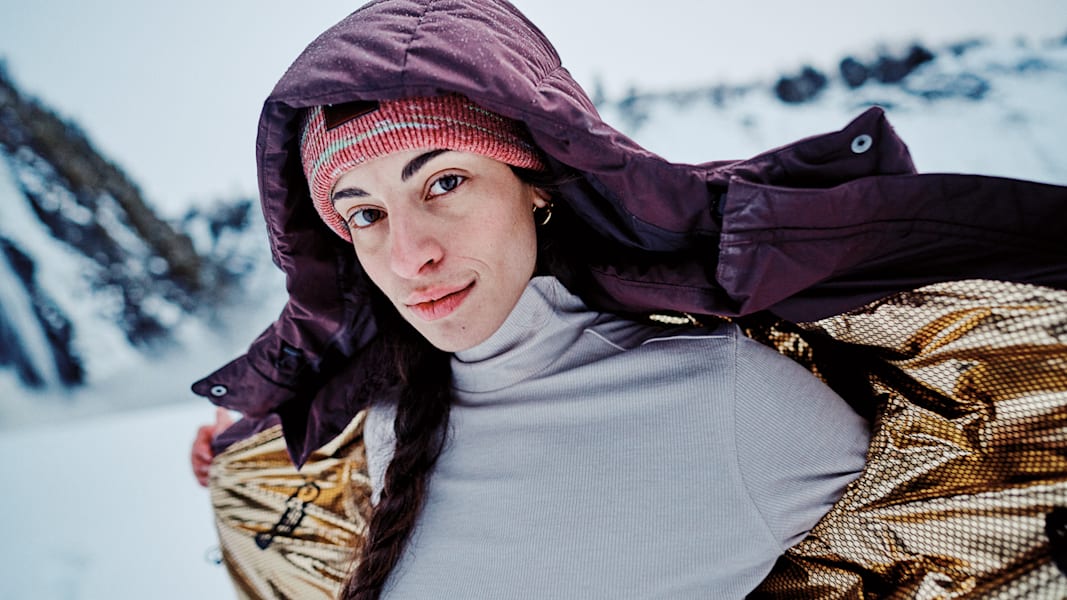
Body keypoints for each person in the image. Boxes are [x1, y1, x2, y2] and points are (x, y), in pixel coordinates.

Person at [191, 0, 1067, 598]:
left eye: (445, 182)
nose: (409, 252)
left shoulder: (730, 403)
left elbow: (961, 515)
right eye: (365, 214)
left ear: (536, 183)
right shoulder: (376, 426)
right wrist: (239, 456)